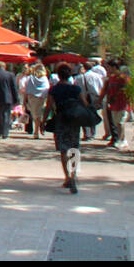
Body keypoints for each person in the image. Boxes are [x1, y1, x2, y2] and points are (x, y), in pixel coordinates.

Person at [45, 64, 88, 193]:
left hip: (61, 121)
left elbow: (48, 106)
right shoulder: (76, 89)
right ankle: (73, 176)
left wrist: (43, 121)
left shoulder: (54, 89)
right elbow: (85, 103)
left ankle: (67, 176)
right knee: (74, 148)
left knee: (63, 150)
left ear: (58, 75)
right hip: (74, 121)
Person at [103, 62, 131, 147]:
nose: (108, 69)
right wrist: (108, 101)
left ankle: (121, 140)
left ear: (114, 67)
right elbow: (108, 91)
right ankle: (121, 139)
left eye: (109, 67)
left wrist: (129, 103)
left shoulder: (124, 78)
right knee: (116, 123)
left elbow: (129, 90)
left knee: (120, 122)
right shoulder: (111, 78)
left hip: (122, 104)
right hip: (113, 104)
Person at [23, 63, 50, 139]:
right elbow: (47, 88)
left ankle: (36, 131)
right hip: (41, 98)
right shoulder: (45, 79)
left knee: (35, 115)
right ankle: (37, 129)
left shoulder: (30, 78)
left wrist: (24, 101)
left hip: (32, 98)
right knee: (39, 115)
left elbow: (27, 90)